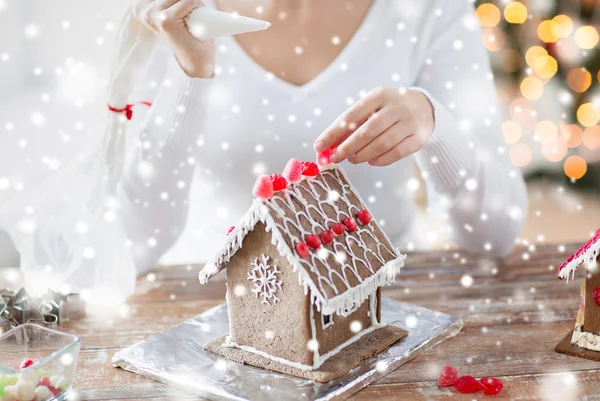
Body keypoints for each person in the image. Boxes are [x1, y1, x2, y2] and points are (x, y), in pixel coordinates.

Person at [119, 0, 528, 273]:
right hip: (210, 302)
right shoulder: (169, 14)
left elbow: (494, 233)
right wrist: (190, 77)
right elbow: (134, 242)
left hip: (384, 301)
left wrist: (435, 125)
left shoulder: (429, 9)